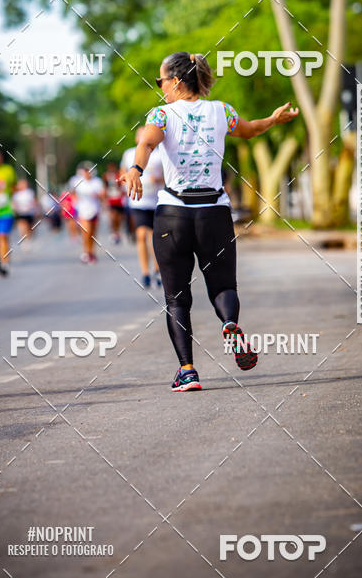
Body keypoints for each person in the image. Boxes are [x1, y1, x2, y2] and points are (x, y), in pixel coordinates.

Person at [121, 51, 298, 391]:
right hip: (214, 211)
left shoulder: (161, 114)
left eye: (161, 81)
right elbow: (250, 130)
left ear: (176, 81)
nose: (160, 87)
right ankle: (229, 323)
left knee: (177, 298)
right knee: (223, 286)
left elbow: (146, 143)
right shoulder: (222, 111)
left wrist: (134, 170)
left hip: (174, 213)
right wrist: (273, 120)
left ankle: (188, 371)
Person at [121, 129, 164, 288]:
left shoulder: (160, 154)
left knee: (154, 237)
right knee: (140, 235)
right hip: (138, 202)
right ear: (136, 138)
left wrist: (158, 179)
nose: (143, 136)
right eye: (140, 134)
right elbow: (123, 172)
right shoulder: (128, 154)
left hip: (157, 201)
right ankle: (145, 272)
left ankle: (157, 270)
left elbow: (170, 176)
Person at [71, 161, 104, 263]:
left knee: (92, 233)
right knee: (86, 231)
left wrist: (97, 195)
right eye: (84, 171)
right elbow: (72, 193)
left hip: (94, 210)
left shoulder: (97, 182)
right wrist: (74, 200)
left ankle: (91, 252)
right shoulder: (76, 181)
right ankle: (86, 252)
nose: (86, 173)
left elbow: (103, 194)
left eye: (88, 171)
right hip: (82, 210)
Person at [102, 161, 125, 244]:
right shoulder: (105, 176)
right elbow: (105, 187)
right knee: (112, 217)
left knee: (119, 218)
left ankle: (117, 231)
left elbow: (122, 186)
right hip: (111, 199)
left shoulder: (119, 175)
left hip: (119, 198)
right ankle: (113, 232)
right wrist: (104, 200)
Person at [12, 178, 38, 244]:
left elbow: (33, 201)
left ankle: (29, 238)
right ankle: (24, 239)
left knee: (30, 228)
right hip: (21, 213)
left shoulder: (30, 192)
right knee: (23, 226)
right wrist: (15, 209)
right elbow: (14, 203)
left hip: (29, 213)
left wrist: (34, 208)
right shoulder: (16, 194)